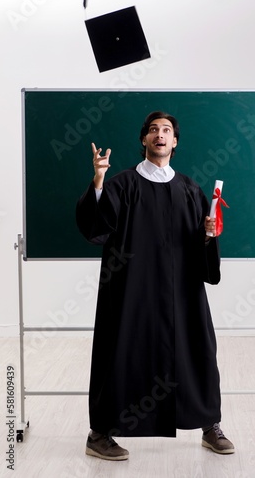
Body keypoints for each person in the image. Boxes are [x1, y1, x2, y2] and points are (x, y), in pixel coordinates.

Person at [76, 111, 235, 461]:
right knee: (119, 353)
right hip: (131, 290)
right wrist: (98, 180)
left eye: (166, 130)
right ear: (144, 140)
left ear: (174, 142)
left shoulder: (190, 188)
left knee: (198, 351)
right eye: (152, 130)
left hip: (182, 292)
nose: (159, 135)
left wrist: (207, 236)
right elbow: (95, 229)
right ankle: (100, 433)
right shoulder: (122, 183)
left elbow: (199, 247)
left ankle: (210, 425)